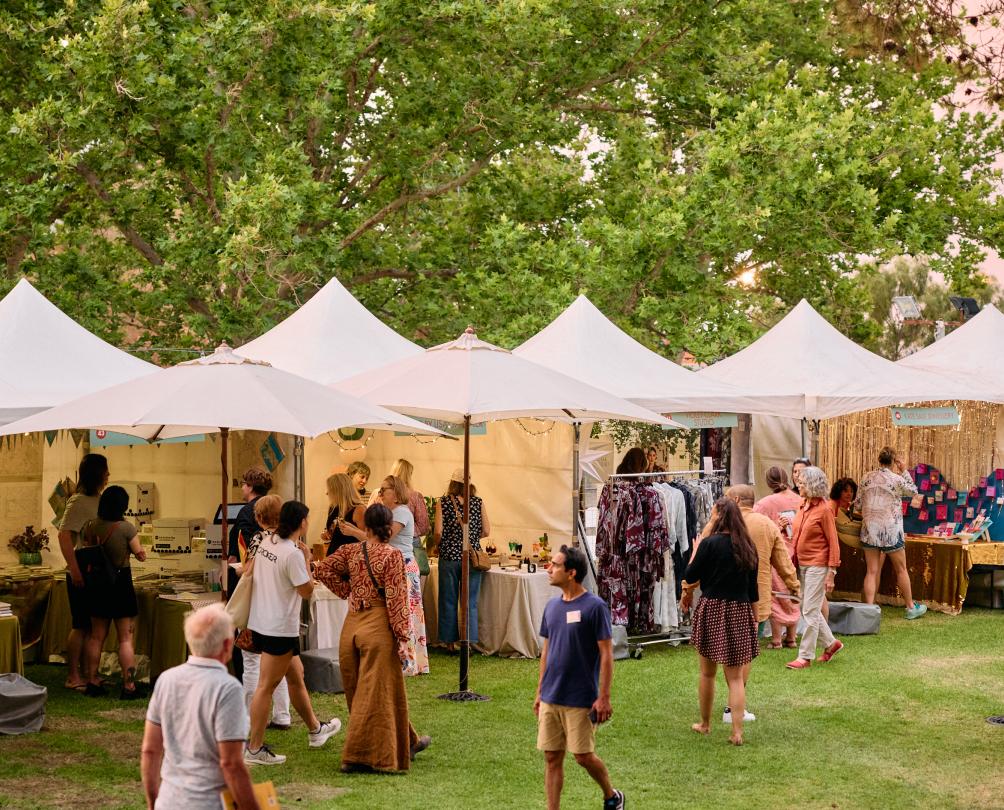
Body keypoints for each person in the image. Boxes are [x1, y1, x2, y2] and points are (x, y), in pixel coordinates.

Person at [314, 504, 432, 773]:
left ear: (366, 527)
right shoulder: (392, 557)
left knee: (367, 691)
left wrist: (347, 591)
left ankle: (409, 741)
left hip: (352, 627)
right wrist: (404, 638)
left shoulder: (350, 551)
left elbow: (321, 570)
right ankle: (359, 756)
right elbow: (397, 601)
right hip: (378, 627)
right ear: (388, 527)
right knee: (374, 692)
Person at [244, 501, 341, 765]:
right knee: (266, 686)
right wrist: (308, 560)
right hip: (279, 628)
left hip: (264, 621)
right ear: (301, 523)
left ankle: (315, 730)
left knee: (296, 676)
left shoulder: (267, 542)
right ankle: (254, 749)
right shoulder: (293, 553)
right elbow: (307, 591)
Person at [141, 604, 260, 810]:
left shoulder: (167, 680)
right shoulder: (227, 688)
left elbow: (151, 750)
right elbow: (231, 763)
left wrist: (153, 800)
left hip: (170, 800)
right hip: (208, 802)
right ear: (227, 644)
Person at [535, 545, 624, 810]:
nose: (548, 568)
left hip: (580, 697)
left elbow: (607, 654)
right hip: (552, 695)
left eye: (555, 564)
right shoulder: (551, 607)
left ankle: (612, 795)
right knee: (552, 757)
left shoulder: (595, 607)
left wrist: (604, 697)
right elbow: (546, 651)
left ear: (571, 573)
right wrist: (540, 692)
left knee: (583, 756)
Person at [681, 498, 760, 746]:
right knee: (735, 678)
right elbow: (753, 588)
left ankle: (705, 724)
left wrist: (695, 554)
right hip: (739, 609)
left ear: (718, 517)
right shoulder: (748, 546)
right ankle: (736, 732)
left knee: (707, 673)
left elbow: (690, 574)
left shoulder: (709, 544)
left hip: (712, 608)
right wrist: (755, 617)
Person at [719, 486, 799, 723]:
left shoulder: (721, 523)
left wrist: (688, 588)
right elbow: (783, 560)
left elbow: (701, 550)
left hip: (722, 595)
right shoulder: (766, 525)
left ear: (735, 500)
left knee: (727, 652)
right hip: (755, 599)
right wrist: (794, 585)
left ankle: (730, 706)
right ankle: (734, 706)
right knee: (744, 653)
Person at [78, 485, 147, 699]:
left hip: (97, 584)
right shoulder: (126, 528)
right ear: (123, 506)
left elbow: (86, 549)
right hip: (120, 583)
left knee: (96, 636)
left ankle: (92, 681)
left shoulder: (90, 526)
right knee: (125, 638)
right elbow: (140, 554)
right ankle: (129, 686)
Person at [234, 494, 290, 731]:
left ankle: (248, 716)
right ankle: (283, 714)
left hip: (258, 607)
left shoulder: (259, 538)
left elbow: (250, 570)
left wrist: (240, 570)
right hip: (280, 607)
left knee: (252, 662)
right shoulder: (290, 541)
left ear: (258, 517)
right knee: (279, 664)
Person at [856, 447, 928, 620]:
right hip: (891, 531)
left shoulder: (866, 477)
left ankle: (868, 610)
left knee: (871, 571)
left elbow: (858, 505)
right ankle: (911, 607)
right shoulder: (897, 479)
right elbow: (914, 491)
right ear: (893, 461)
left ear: (879, 459)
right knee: (901, 569)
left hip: (869, 530)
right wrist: (904, 470)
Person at [58, 453, 109, 694]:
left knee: (93, 625)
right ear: (97, 474)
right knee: (80, 624)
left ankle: (91, 674)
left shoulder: (99, 499)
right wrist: (74, 569)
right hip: (81, 566)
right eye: (105, 471)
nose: (109, 475)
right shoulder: (77, 501)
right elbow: (64, 534)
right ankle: (73, 675)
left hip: (97, 568)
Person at [786, 466, 843, 670]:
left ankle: (805, 656)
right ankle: (831, 644)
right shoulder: (803, 505)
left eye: (801, 483)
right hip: (802, 563)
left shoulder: (825, 509)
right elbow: (800, 534)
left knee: (810, 609)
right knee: (806, 608)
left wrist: (832, 573)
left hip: (818, 565)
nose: (798, 486)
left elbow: (833, 543)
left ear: (811, 485)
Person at [434, 469, 491, 654]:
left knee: (448, 600)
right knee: (470, 601)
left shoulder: (442, 503)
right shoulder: (477, 502)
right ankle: (468, 642)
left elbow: (438, 532)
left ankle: (449, 643)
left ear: (452, 483)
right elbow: (486, 531)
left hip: (449, 557)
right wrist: (472, 538)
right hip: (472, 558)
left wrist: (439, 544)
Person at [378, 476, 428, 674]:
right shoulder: (391, 512)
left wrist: (356, 532)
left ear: (396, 493)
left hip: (403, 568)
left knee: (404, 614)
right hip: (396, 567)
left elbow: (383, 538)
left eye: (384, 490)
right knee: (400, 614)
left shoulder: (401, 513)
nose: (381, 493)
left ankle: (408, 664)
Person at [227, 466, 273, 681]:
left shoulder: (247, 512)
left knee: (245, 630)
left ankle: (244, 676)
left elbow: (245, 544)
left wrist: (239, 565)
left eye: (244, 484)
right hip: (266, 580)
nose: (242, 488)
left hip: (247, 576)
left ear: (251, 486)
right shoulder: (273, 507)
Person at [753, 467, 803, 649]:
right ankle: (791, 638)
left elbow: (757, 528)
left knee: (775, 594)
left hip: (775, 554)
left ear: (768, 482)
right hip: (797, 553)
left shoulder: (764, 504)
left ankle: (776, 640)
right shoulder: (801, 500)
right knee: (793, 593)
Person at [321, 473, 365, 556]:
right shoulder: (333, 508)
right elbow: (331, 531)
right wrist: (325, 534)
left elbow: (368, 540)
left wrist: (353, 532)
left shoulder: (359, 509)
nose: (326, 493)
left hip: (351, 559)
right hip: (333, 556)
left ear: (338, 490)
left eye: (330, 489)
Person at [390, 459, 431, 538]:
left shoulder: (379, 494)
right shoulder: (415, 496)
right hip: (410, 542)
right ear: (409, 475)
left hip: (386, 542)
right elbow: (423, 527)